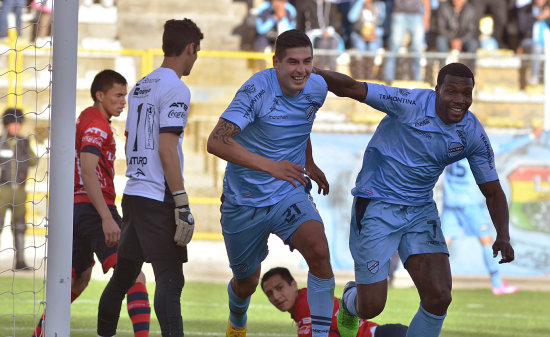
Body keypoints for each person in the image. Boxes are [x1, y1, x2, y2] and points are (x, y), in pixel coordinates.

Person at [313, 62, 515, 337]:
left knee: (439, 297)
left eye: (466, 93)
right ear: (436, 90)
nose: (460, 100)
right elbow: (351, 87)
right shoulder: (408, 103)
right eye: (451, 91)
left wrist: (503, 234)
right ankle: (349, 301)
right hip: (377, 205)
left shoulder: (471, 132)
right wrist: (313, 72)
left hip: (420, 210)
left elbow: (492, 190)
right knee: (371, 307)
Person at [207, 29, 335, 337]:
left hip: (286, 193)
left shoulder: (316, 88)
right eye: (292, 62)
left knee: (318, 248)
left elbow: (301, 125)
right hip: (244, 200)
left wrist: (308, 160)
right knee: (247, 282)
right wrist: (271, 167)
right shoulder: (256, 90)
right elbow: (216, 141)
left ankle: (321, 332)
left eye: (307, 61)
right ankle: (237, 322)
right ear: (275, 61)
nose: (301, 69)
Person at [96, 19, 203, 337]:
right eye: (197, 52)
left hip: (135, 192)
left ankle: (104, 334)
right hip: (158, 196)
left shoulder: (142, 84)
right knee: (170, 279)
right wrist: (181, 201)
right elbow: (166, 147)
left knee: (124, 277)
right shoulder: (176, 88)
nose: (195, 59)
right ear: (190, 48)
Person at [32, 70, 152, 337]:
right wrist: (106, 217)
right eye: (118, 95)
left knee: (79, 278)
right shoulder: (97, 125)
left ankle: (37, 334)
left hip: (73, 208)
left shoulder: (86, 118)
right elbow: (88, 170)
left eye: (125, 96)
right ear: (100, 95)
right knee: (134, 273)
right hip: (93, 208)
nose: (123, 101)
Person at [441, 128, 543, 295]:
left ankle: (431, 280)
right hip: (470, 204)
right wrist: (531, 136)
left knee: (444, 244)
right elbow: (505, 147)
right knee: (486, 241)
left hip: (451, 202)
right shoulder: (476, 148)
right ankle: (497, 283)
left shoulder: (448, 148)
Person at [261, 267, 409, 337]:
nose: (276, 296)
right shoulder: (307, 298)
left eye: (279, 288)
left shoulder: (305, 305)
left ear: (293, 284)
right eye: (270, 293)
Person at [0, 108, 37, 270]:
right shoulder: (0, 142)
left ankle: (20, 261)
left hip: (20, 191)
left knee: (20, 227)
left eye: (18, 123)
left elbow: (34, 161)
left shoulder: (24, 142)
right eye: (13, 123)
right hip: (2, 190)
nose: (16, 127)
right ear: (6, 124)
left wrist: (27, 147)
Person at [383, 0, 431, 83]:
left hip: (417, 15)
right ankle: (388, 78)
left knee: (417, 49)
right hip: (399, 13)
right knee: (394, 46)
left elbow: (426, 1)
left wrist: (426, 18)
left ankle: (418, 79)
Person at [435, 0, 479, 72]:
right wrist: (452, 40)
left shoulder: (471, 9)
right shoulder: (443, 7)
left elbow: (471, 31)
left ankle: (471, 73)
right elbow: (440, 28)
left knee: (473, 44)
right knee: (440, 40)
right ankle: (442, 71)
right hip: (447, 38)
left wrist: (460, 41)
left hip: (463, 39)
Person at [516, 0, 550, 86]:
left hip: (546, 43)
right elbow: (522, 28)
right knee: (537, 47)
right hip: (529, 41)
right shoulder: (527, 9)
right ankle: (534, 77)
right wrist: (537, 18)